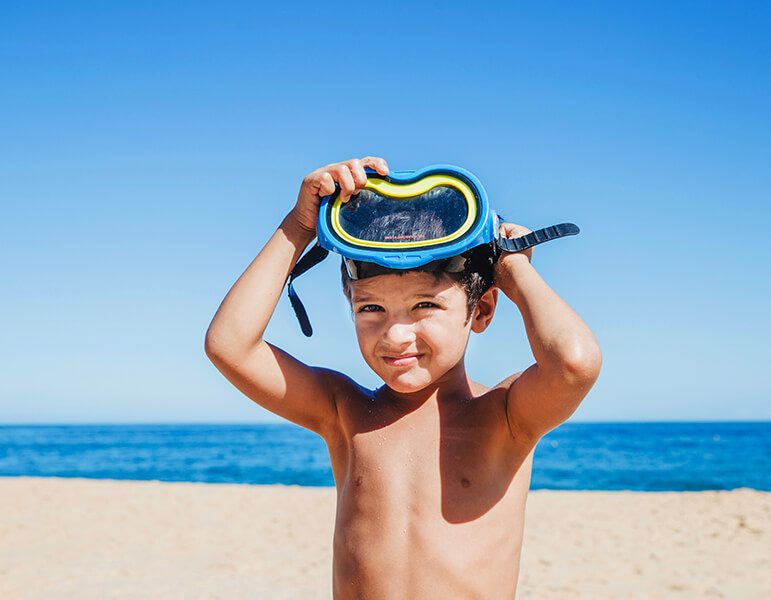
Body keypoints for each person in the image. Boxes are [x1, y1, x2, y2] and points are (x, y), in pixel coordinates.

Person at [204, 156, 602, 599]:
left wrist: (513, 268)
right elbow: (230, 345)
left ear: (482, 310)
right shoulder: (343, 411)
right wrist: (297, 227)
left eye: (425, 306)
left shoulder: (505, 417)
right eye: (371, 308)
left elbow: (574, 363)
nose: (395, 334)